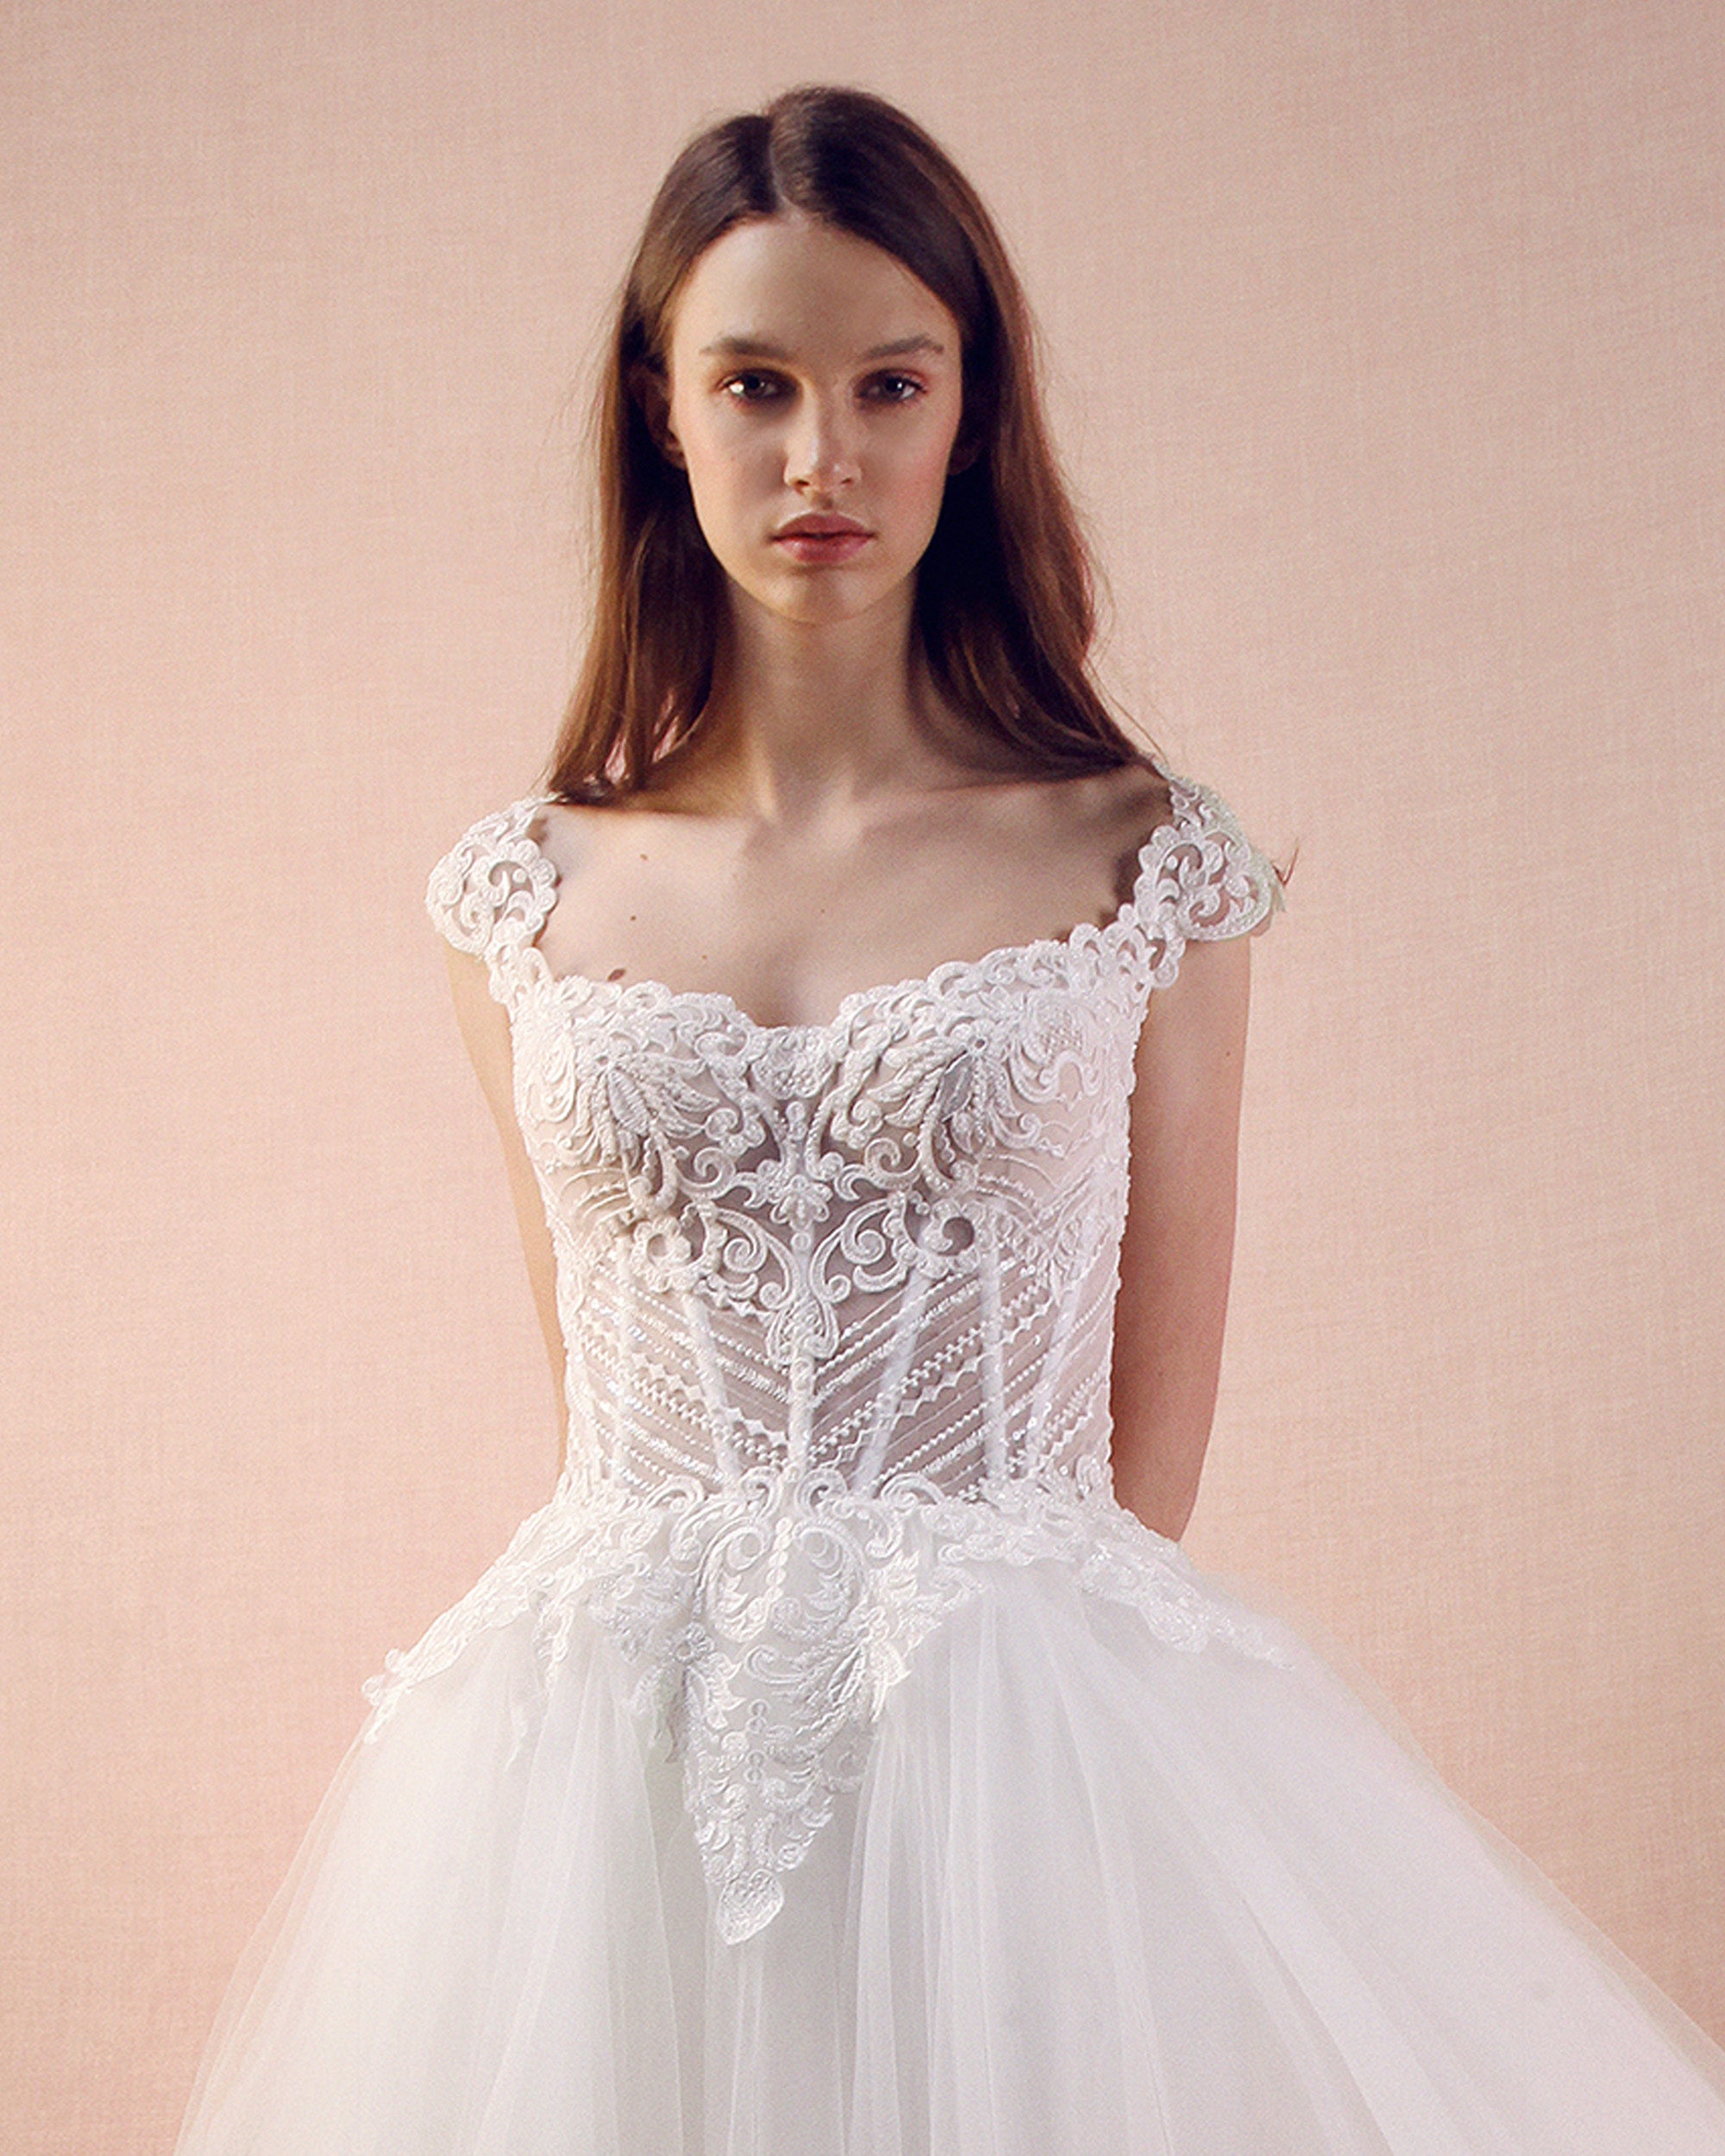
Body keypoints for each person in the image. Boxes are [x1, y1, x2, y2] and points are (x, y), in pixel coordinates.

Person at [175, 85, 1725, 2156]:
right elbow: (592, 1403)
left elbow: (1141, 1458)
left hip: (1021, 1749)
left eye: (888, 384)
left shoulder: (1143, 860)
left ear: (970, 414)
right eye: (756, 384)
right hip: (596, 1765)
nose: (821, 455)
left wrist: (1013, 1810)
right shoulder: (520, 891)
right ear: (660, 408)